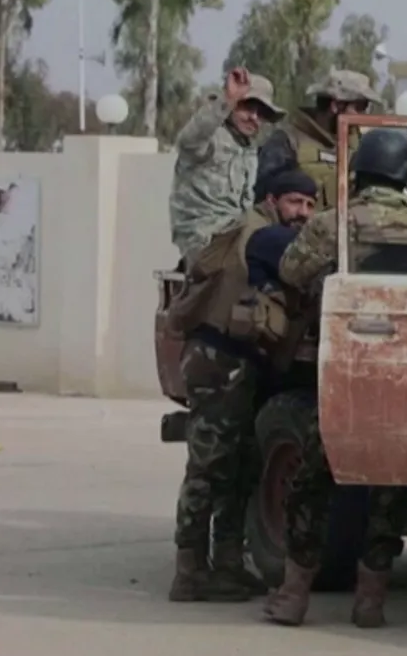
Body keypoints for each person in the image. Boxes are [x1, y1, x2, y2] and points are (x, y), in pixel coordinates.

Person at [264, 129, 407, 629]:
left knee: (314, 482)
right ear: (406, 173)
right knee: (389, 485)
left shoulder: (336, 223)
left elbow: (291, 271)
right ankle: (370, 603)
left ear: (360, 170)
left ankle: (293, 596)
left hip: (350, 367)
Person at [167, 170, 318, 603]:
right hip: (220, 361)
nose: (303, 214)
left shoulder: (260, 230)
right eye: (294, 203)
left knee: (241, 463)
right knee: (209, 465)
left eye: (309, 206)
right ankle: (190, 568)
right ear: (271, 200)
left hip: (237, 362)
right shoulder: (265, 236)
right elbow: (311, 259)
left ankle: (228, 562)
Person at [169, 68, 285, 268]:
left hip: (237, 236)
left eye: (262, 113)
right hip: (204, 240)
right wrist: (227, 99)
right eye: (247, 107)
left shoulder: (249, 150)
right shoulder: (212, 139)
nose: (254, 118)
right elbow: (189, 140)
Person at [254, 69, 384, 208]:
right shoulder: (287, 141)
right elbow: (266, 200)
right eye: (359, 107)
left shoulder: (361, 144)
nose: (363, 115)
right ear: (336, 105)